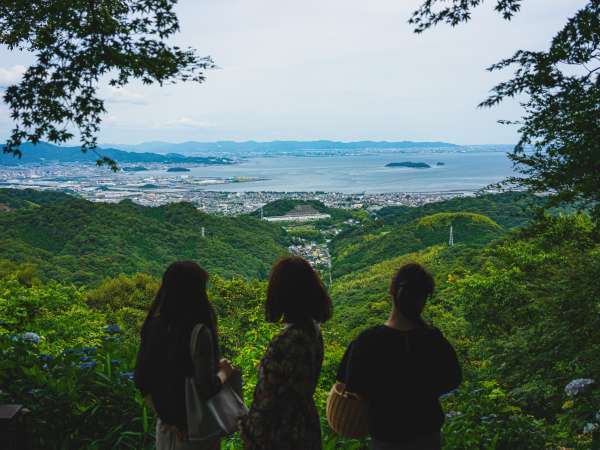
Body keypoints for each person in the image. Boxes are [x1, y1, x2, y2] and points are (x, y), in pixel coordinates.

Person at [336, 262, 462, 450]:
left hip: (385, 436)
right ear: (424, 299)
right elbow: (453, 379)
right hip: (427, 434)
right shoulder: (434, 340)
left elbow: (351, 385)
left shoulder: (367, 341)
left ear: (392, 292)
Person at [134, 261, 234, 450]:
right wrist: (224, 373)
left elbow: (142, 381)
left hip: (165, 431)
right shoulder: (198, 332)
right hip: (196, 434)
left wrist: (169, 419)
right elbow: (206, 387)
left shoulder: (153, 326)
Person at [240, 256, 333, 450]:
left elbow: (267, 401)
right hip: (305, 428)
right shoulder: (312, 331)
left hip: (280, 435)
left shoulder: (287, 341)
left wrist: (247, 429)